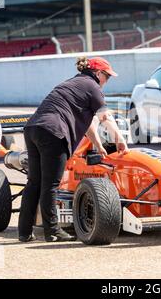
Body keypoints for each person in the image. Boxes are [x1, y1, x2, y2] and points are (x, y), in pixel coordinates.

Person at [18, 56, 129, 243]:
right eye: (107, 77)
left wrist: (99, 145)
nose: (107, 81)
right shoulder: (93, 87)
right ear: (98, 73)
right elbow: (105, 118)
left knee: (34, 183)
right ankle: (52, 231)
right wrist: (121, 140)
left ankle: (24, 231)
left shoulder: (73, 83)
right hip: (53, 132)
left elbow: (86, 125)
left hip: (33, 129)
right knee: (51, 185)